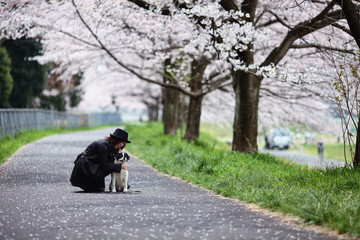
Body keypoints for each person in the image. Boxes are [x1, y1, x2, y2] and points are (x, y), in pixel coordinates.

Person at [70, 128, 131, 192]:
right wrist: (121, 166)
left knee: (113, 167)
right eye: (123, 143)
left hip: (91, 167)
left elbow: (110, 162)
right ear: (117, 140)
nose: (123, 145)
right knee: (112, 167)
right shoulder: (103, 145)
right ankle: (91, 184)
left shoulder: (110, 146)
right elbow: (105, 166)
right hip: (85, 169)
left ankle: (94, 185)